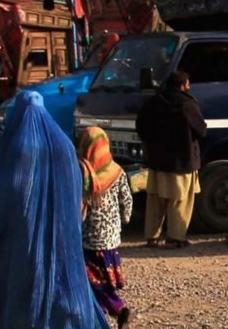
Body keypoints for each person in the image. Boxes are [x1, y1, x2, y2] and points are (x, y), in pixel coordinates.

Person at [0, 91, 109, 329]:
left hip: (22, 246)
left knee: (26, 297)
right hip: (65, 241)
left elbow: (2, 205)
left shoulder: (14, 150)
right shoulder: (63, 145)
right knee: (67, 287)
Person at [136, 71, 207, 249]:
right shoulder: (187, 105)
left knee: (154, 201)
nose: (189, 87)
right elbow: (201, 130)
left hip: (156, 161)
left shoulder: (152, 103)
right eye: (188, 84)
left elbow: (140, 126)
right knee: (180, 201)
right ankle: (175, 238)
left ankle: (152, 237)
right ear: (182, 85)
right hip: (182, 162)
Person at [78, 126, 133, 328]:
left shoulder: (82, 172)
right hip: (110, 239)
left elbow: (79, 208)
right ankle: (102, 315)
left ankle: (116, 309)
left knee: (91, 281)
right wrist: (123, 220)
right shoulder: (117, 171)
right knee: (99, 281)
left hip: (90, 239)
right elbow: (126, 200)